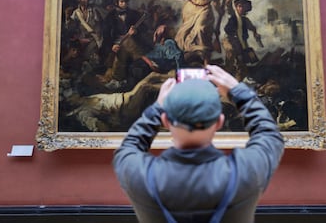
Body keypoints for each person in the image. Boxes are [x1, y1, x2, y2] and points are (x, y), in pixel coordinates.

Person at [113, 65, 284, 223]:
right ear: (219, 122)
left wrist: (157, 108)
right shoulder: (247, 170)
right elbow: (269, 134)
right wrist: (239, 92)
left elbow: (130, 145)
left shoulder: (139, 173)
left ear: (165, 121)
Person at [99, 0, 151, 91]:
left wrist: (136, 31)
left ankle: (118, 78)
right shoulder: (110, 17)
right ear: (116, 2)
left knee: (128, 44)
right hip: (116, 43)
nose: (124, 4)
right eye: (122, 1)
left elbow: (145, 28)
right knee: (120, 51)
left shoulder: (134, 14)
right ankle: (117, 79)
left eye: (125, 1)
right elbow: (106, 35)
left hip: (134, 44)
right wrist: (112, 46)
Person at [222, 0, 263, 81]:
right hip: (229, 40)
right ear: (236, 7)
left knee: (242, 63)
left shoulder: (245, 20)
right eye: (239, 6)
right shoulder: (232, 15)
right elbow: (227, 2)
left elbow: (253, 28)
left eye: (243, 6)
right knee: (231, 54)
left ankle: (238, 81)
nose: (241, 8)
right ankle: (226, 78)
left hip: (241, 43)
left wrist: (256, 35)